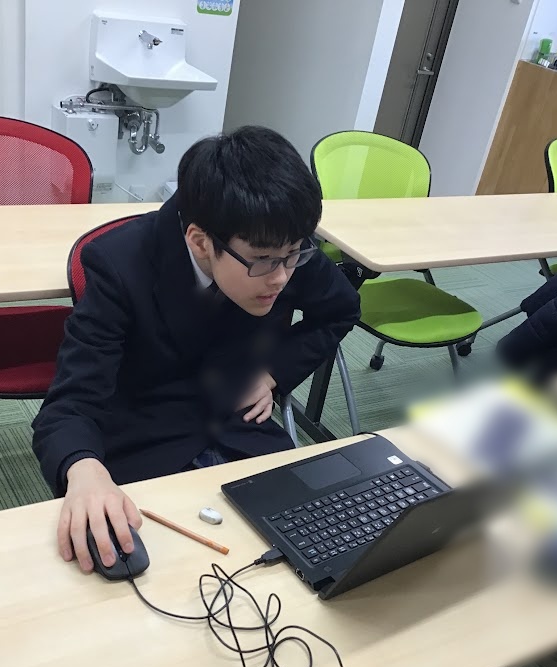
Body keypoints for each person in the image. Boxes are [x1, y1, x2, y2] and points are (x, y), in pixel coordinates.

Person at [32, 126, 361, 572]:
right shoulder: (121, 262)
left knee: (326, 549)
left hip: (242, 424)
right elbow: (69, 405)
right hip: (146, 436)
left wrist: (275, 373)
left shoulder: (279, 243)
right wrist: (83, 468)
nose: (282, 277)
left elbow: (340, 310)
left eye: (293, 255)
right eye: (265, 261)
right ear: (201, 242)